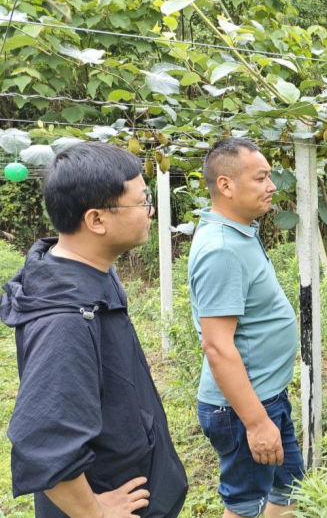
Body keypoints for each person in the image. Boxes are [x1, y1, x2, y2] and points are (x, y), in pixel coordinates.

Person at [0, 142, 188, 518]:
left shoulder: (90, 273)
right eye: (141, 201)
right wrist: (96, 512)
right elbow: (43, 441)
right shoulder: (67, 319)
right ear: (97, 220)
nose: (150, 210)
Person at [188, 138, 304, 518]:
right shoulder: (222, 248)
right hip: (244, 410)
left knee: (288, 489)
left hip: (266, 396)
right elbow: (217, 346)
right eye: (261, 178)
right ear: (226, 185)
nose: (271, 186)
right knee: (244, 506)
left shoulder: (239, 232)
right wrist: (256, 423)